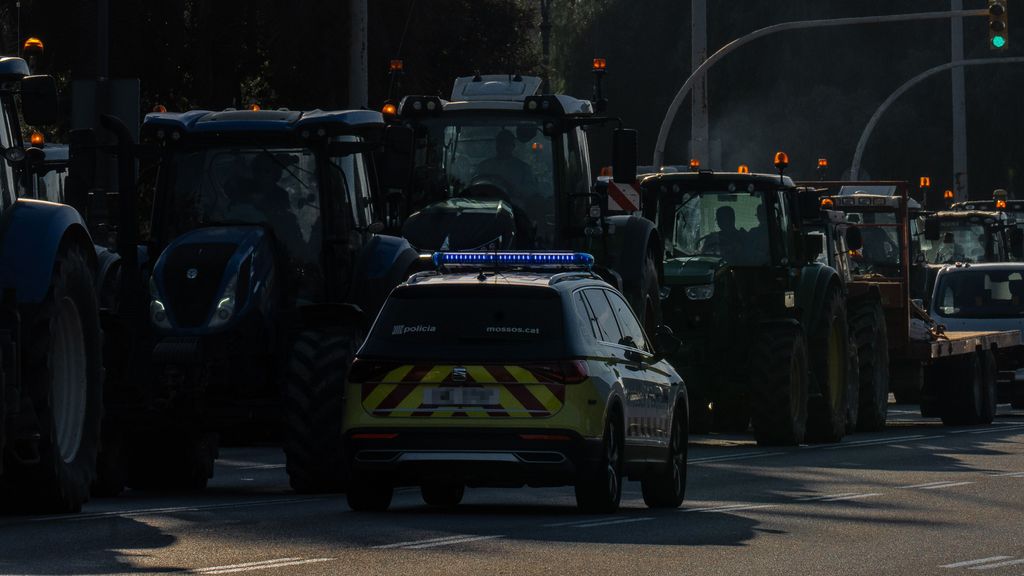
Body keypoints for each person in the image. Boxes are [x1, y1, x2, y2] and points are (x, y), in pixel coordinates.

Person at [473, 129, 537, 197]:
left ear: (513, 146)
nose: (503, 147)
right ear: (496, 145)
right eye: (501, 143)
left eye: (507, 143)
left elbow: (531, 191)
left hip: (514, 205)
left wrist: (513, 189)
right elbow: (474, 186)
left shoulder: (523, 168)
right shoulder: (484, 166)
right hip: (488, 203)